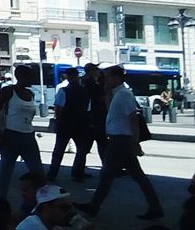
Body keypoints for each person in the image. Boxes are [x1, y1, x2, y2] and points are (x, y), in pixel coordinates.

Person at [75, 65, 164, 220]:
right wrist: (108, 92)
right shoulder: (117, 94)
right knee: (118, 175)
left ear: (116, 78)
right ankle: (154, 206)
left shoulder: (124, 94)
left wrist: (135, 143)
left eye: (107, 77)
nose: (104, 80)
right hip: (118, 139)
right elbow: (111, 112)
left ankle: (94, 205)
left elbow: (133, 119)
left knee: (113, 175)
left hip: (121, 140)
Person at [0, 64, 44, 198]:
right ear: (20, 76)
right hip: (10, 135)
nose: (34, 78)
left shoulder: (30, 93)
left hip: (28, 136)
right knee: (6, 171)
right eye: (31, 76)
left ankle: (41, 198)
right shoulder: (8, 91)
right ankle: (1, 199)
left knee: (38, 171)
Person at [47, 66, 92, 182]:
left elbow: (58, 107)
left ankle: (53, 173)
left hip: (65, 124)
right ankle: (77, 173)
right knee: (81, 150)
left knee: (59, 150)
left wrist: (58, 121)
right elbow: (88, 108)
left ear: (67, 76)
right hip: (81, 124)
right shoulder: (85, 91)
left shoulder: (63, 90)